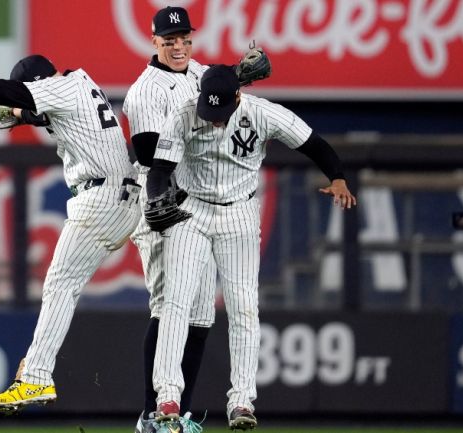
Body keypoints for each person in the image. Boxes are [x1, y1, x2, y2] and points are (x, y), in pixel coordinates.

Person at [0, 54, 142, 415]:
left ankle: (35, 376)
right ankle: (168, 398)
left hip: (103, 197)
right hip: (123, 196)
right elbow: (42, 110)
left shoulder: (56, 89)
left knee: (60, 284)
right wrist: (19, 115)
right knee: (151, 296)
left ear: (37, 83)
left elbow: (11, 92)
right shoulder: (77, 84)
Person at [144, 65, 356, 430]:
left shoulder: (261, 112)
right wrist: (156, 200)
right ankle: (168, 397)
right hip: (191, 209)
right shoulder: (183, 115)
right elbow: (160, 170)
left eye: (220, 113)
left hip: (239, 212)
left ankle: (241, 402)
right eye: (208, 112)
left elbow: (312, 143)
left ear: (238, 97)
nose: (213, 121)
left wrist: (337, 176)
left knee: (243, 306)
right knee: (175, 302)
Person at [123, 6, 271, 433]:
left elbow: (216, 92)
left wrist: (237, 78)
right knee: (169, 304)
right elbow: (154, 157)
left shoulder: (198, 71)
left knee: (202, 313)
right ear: (154, 42)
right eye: (168, 40)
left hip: (199, 207)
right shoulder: (146, 90)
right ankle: (152, 414)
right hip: (163, 203)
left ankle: (179, 413)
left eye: (183, 38)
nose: (178, 46)